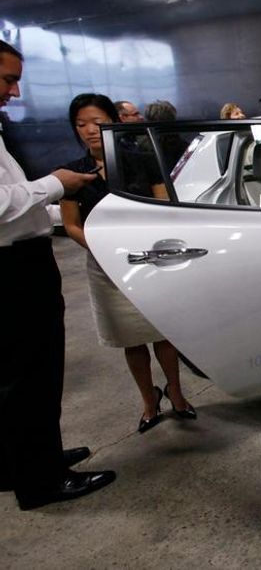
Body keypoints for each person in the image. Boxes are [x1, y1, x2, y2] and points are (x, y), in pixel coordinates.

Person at [0, 39, 116, 511]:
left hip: (20, 259)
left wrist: (48, 206)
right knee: (31, 375)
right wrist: (55, 185)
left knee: (19, 376)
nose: (14, 90)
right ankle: (42, 479)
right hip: (12, 273)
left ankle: (25, 462)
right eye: (8, 79)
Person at [59, 93, 197, 432]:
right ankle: (149, 401)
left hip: (149, 259)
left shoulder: (142, 158)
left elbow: (164, 205)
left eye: (97, 122)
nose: (90, 130)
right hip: (104, 266)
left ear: (114, 123)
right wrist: (103, 248)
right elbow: (71, 224)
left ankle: (176, 394)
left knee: (162, 332)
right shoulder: (72, 172)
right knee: (130, 338)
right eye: (81, 124)